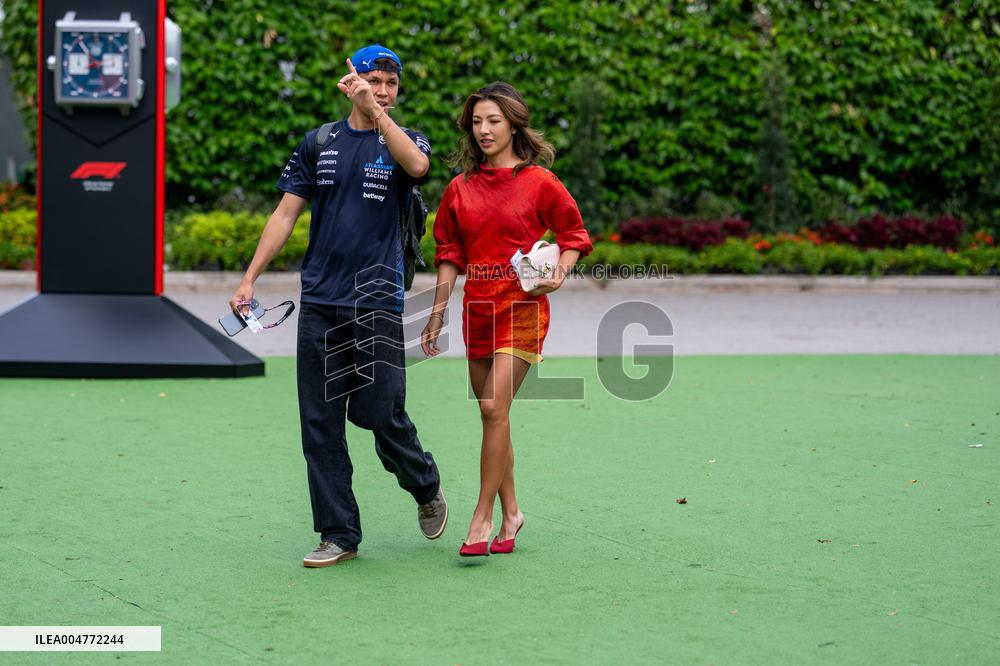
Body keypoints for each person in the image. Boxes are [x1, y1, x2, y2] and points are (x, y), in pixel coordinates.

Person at [230, 45, 447, 568]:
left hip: (375, 301)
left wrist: (377, 115)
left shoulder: (405, 140)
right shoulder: (320, 141)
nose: (384, 89)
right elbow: (285, 214)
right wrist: (249, 278)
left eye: (391, 82)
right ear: (351, 80)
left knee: (379, 411)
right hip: (322, 302)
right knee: (320, 422)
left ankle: (424, 484)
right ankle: (338, 534)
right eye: (373, 79)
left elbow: (418, 166)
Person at [421, 82, 593, 557]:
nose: (483, 131)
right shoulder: (460, 188)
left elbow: (574, 234)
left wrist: (558, 274)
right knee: (492, 414)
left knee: (494, 409)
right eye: (476, 122)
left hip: (522, 308)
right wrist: (436, 313)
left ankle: (483, 516)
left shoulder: (540, 182)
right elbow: (449, 253)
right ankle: (513, 511)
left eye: (493, 121)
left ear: (514, 122)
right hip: (476, 309)